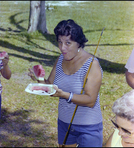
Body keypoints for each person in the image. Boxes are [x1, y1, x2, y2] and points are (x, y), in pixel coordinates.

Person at [28, 19, 103, 147]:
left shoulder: (92, 64)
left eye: (68, 43)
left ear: (78, 43)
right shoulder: (60, 59)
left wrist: (64, 95)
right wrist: (39, 79)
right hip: (64, 123)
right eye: (60, 42)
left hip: (88, 126)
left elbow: (90, 100)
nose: (62, 48)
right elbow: (50, 86)